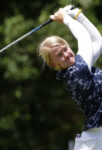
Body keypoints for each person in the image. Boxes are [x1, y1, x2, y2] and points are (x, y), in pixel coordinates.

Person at [38, 5, 102, 150]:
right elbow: (84, 37)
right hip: (95, 140)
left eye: (65, 49)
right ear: (54, 64)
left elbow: (98, 42)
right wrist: (66, 18)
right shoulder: (77, 71)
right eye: (59, 55)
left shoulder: (82, 65)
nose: (66, 54)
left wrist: (77, 14)